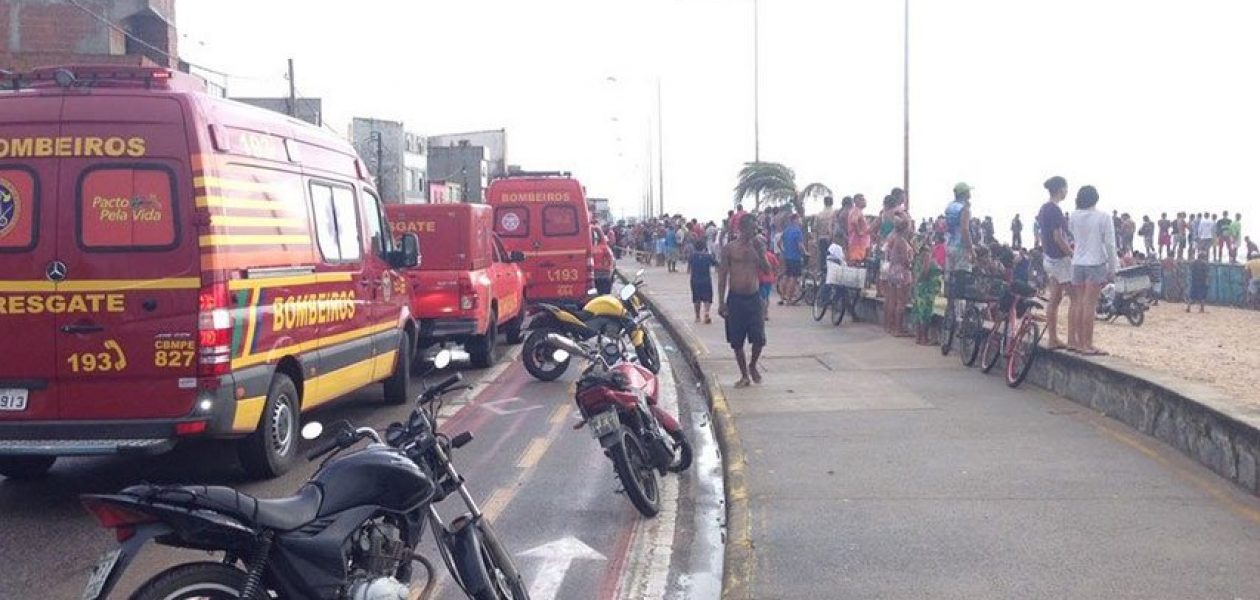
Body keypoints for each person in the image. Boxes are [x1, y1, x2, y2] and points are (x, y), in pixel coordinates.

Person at [718, 215, 771, 388]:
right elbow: (723, 275)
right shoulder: (730, 249)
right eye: (750, 228)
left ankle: (753, 364)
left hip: (754, 297)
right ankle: (744, 375)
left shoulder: (759, 246)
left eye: (755, 228)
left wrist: (761, 253)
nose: (753, 232)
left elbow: (767, 270)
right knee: (737, 340)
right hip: (736, 298)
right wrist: (721, 301)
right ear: (741, 228)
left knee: (759, 339)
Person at [1068, 185, 1118, 356]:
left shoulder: (1074, 216)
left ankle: (1077, 341)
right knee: (1090, 305)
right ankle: (1087, 344)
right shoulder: (1103, 217)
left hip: (1077, 262)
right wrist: (1113, 267)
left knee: (1079, 303)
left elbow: (1073, 235)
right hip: (1095, 262)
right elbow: (1110, 244)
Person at [1038, 176, 1074, 351]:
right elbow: (1058, 238)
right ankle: (1072, 339)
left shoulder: (1044, 209)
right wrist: (1072, 254)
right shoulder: (1055, 210)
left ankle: (1053, 338)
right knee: (1075, 298)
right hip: (1059, 260)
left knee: (1055, 298)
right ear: (1061, 189)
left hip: (1049, 259)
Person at [911, 233, 945, 345]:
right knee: (925, 313)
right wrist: (921, 280)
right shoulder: (926, 254)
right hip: (926, 288)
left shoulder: (918, 256)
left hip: (920, 287)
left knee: (919, 312)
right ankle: (924, 338)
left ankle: (919, 337)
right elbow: (925, 270)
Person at [884, 219, 915, 337]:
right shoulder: (901, 241)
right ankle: (898, 328)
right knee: (901, 301)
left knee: (892, 299)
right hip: (901, 272)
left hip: (893, 271)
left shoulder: (895, 239)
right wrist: (911, 262)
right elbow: (904, 260)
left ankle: (890, 326)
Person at [944, 183, 975, 273]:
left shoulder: (949, 207)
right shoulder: (964, 208)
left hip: (949, 244)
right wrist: (971, 249)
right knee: (961, 277)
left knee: (950, 277)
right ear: (965, 193)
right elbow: (964, 229)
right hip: (961, 246)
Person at [777, 213, 806, 305]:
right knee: (793, 278)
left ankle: (782, 298)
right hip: (795, 257)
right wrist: (805, 252)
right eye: (799, 219)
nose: (800, 221)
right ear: (795, 220)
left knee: (786, 276)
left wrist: (783, 250)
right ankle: (789, 300)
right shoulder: (798, 231)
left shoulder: (786, 230)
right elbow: (800, 245)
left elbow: (778, 243)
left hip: (787, 257)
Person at [689, 239, 717, 324]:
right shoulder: (707, 256)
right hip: (706, 280)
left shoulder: (692, 256)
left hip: (695, 280)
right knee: (707, 298)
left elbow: (689, 265)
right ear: (704, 247)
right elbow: (715, 264)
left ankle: (697, 317)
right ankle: (706, 313)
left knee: (696, 299)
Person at [846, 194, 872, 263]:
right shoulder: (856, 210)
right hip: (857, 243)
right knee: (857, 262)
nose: (865, 201)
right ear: (856, 201)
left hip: (859, 243)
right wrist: (859, 232)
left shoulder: (858, 211)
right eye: (862, 200)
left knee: (859, 262)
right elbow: (854, 221)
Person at [814, 196, 837, 272]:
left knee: (822, 258)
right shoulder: (834, 213)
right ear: (832, 202)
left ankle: (822, 275)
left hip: (821, 238)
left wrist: (816, 240)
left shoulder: (819, 214)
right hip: (832, 239)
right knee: (832, 258)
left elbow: (815, 228)